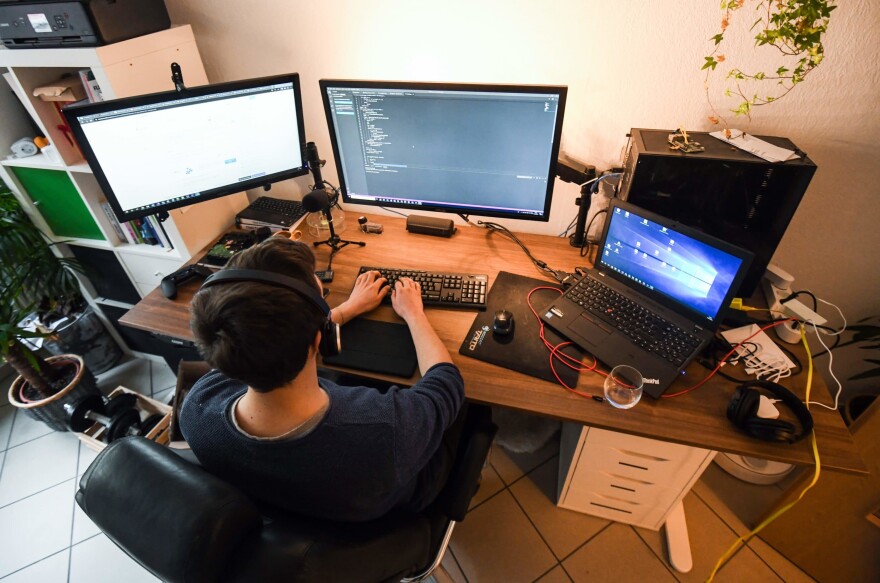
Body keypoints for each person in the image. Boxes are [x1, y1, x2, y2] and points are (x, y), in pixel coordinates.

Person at [179, 237, 465, 522]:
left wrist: (349, 308)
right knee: (470, 410)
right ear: (320, 340)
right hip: (394, 506)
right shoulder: (386, 428)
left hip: (293, 508)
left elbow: (256, 336)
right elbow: (446, 382)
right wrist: (414, 314)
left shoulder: (197, 408)